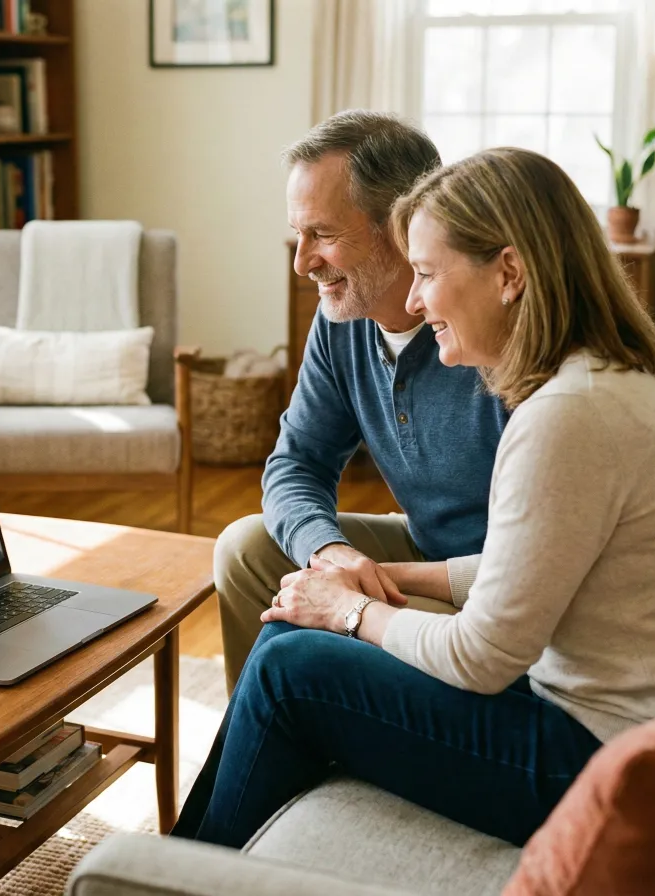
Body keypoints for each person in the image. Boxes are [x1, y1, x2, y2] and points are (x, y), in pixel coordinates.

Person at [173, 147, 655, 849]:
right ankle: (189, 859)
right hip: (637, 724)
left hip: (636, 762)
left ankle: (176, 874)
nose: (415, 298)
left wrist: (352, 607)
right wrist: (386, 577)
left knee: (286, 670)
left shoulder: (566, 414)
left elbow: (484, 656)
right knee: (291, 637)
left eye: (427, 273)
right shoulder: (603, 379)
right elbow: (531, 567)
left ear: (509, 274)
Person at [214, 111, 508, 693]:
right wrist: (332, 553)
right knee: (244, 548)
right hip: (422, 553)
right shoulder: (341, 322)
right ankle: (267, 728)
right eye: (299, 234)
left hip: (497, 588)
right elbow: (296, 463)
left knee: (309, 643)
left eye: (322, 234)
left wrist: (364, 591)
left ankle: (307, 717)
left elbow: (540, 569)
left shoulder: (487, 328)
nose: (302, 262)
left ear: (399, 226)